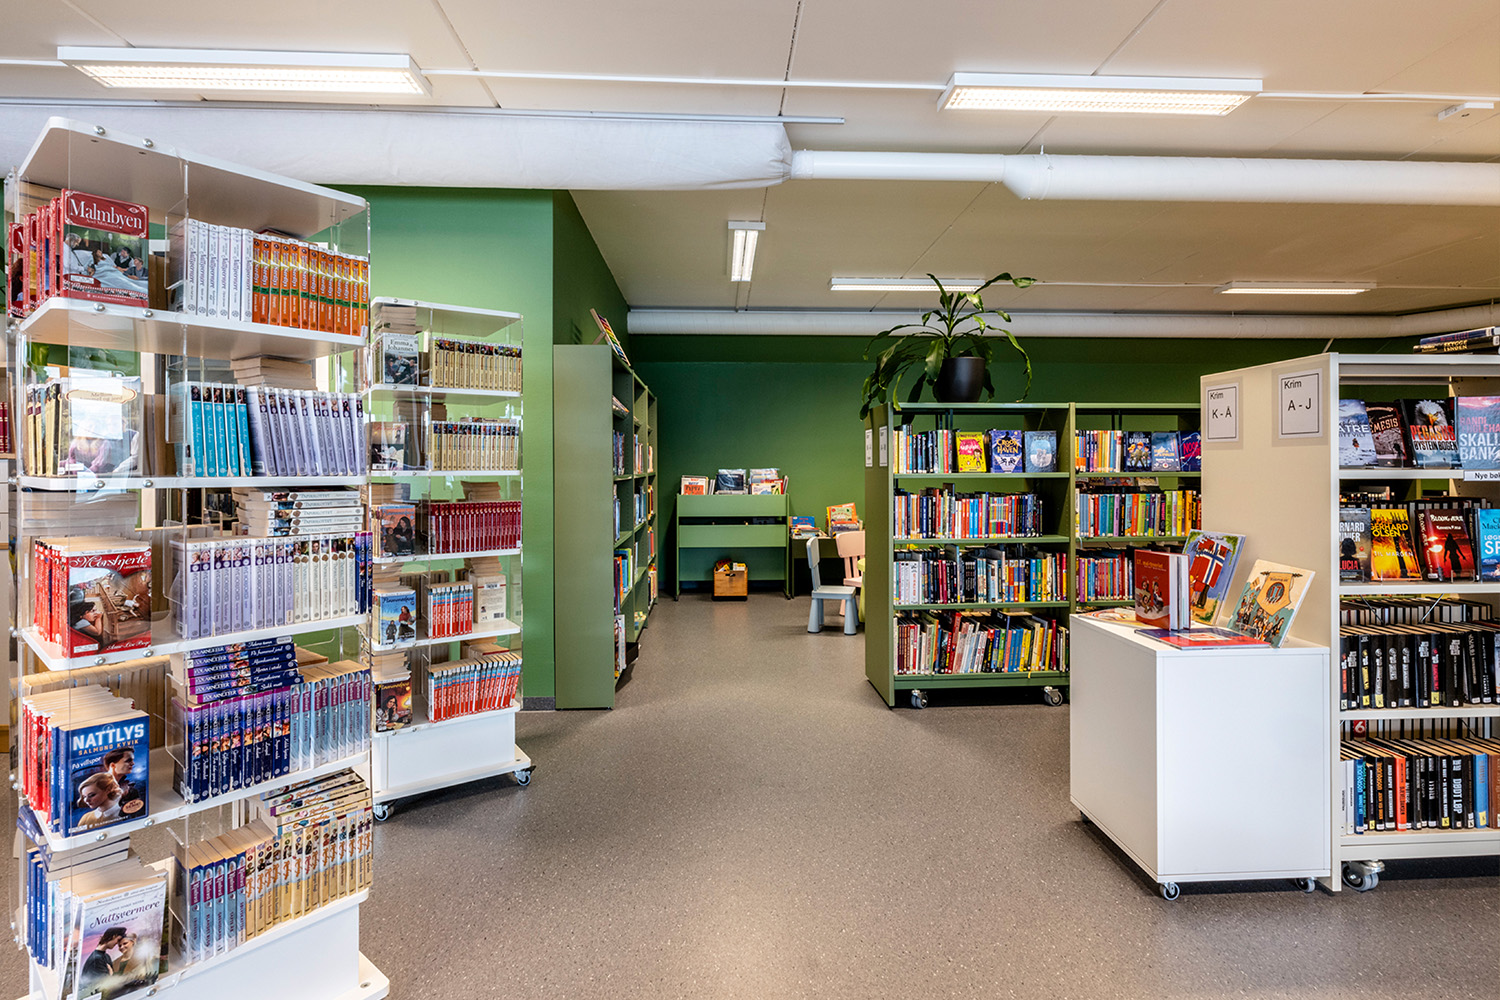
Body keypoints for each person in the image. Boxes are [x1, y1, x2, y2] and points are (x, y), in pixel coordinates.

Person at [78, 927, 126, 1000]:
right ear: (114, 936)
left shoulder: (106, 956)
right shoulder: (96, 959)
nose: (117, 943)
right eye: (118, 940)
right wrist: (110, 974)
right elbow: (107, 984)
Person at [105, 932, 156, 999]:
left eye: (125, 943)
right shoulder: (115, 962)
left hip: (139, 992)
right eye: (119, 946)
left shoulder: (143, 958)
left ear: (133, 942)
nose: (122, 947)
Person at [102, 747, 144, 816]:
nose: (133, 763)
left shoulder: (131, 789)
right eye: (128, 760)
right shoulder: (98, 787)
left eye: (132, 760)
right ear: (113, 765)